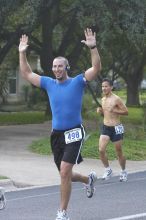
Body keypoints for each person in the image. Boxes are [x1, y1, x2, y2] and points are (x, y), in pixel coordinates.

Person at [19, 28, 101, 220]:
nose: (56, 69)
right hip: (56, 135)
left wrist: (93, 48)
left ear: (67, 68)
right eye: (54, 66)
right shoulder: (48, 83)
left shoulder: (78, 82)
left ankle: (62, 213)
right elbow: (26, 73)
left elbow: (96, 69)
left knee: (64, 171)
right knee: (66, 174)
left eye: (60, 66)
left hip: (74, 132)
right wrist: (22, 53)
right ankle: (87, 179)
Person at [97, 78, 128, 182]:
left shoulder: (116, 99)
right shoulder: (103, 99)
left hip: (117, 127)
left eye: (106, 86)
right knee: (101, 150)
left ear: (111, 87)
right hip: (106, 127)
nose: (104, 88)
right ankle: (108, 169)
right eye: (102, 86)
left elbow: (126, 112)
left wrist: (114, 109)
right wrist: (101, 111)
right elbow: (105, 114)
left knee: (119, 151)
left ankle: (123, 171)